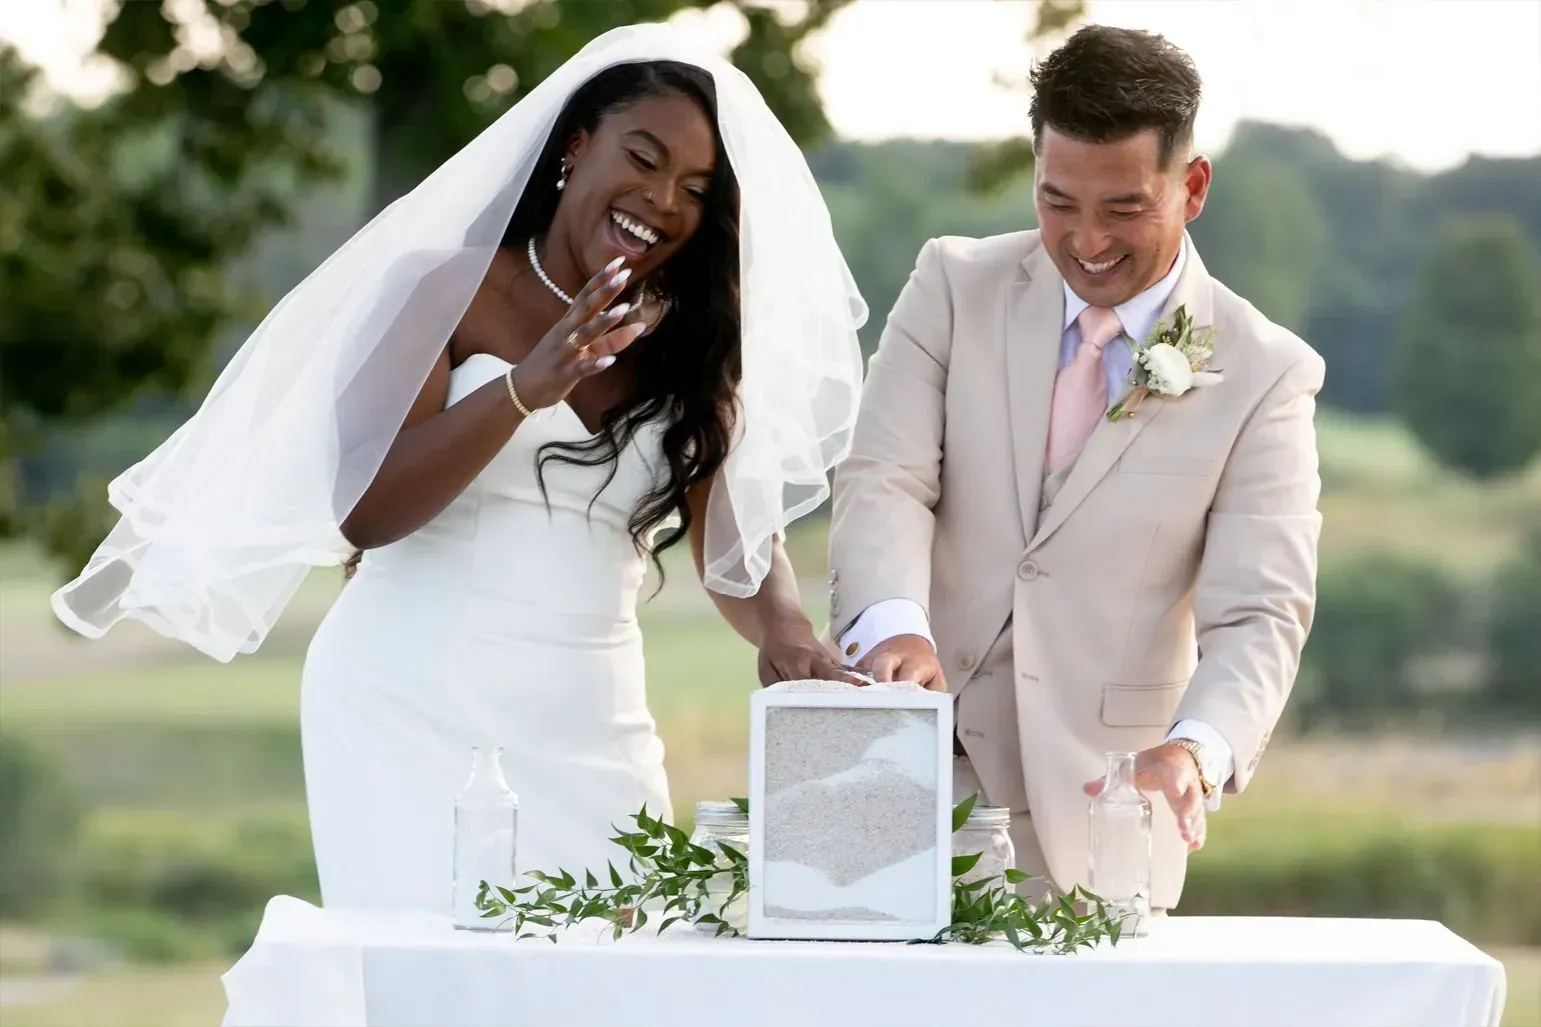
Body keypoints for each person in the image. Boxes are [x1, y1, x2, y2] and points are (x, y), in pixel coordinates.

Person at [51, 24, 866, 912]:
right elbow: (363, 509)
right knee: (425, 981)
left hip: (590, 716)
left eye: (694, 189)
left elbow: (735, 536)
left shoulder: (690, 342)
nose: (663, 198)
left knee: (609, 974)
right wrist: (524, 386)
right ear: (575, 145)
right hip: (408, 697)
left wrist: (785, 627)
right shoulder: (443, 286)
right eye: (643, 156)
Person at [827, 24, 1324, 912]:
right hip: (890, 778)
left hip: (1103, 814)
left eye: (1122, 208)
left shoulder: (1265, 372)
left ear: (1193, 186)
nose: (1085, 240)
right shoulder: (949, 285)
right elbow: (884, 477)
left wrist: (1195, 750)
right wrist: (892, 627)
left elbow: (1259, 613)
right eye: (1057, 202)